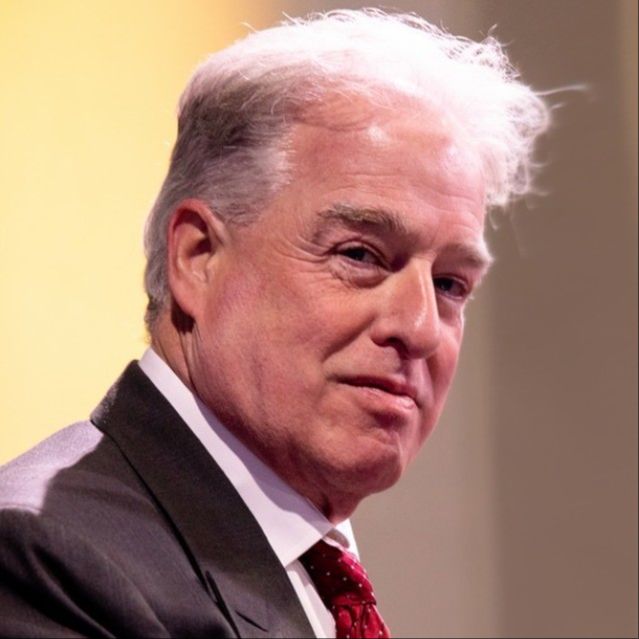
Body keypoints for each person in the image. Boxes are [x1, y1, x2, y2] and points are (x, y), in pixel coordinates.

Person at [0, 9, 549, 638]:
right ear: (198, 258)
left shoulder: (312, 570)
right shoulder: (45, 560)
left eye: (450, 284)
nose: (421, 329)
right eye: (360, 255)